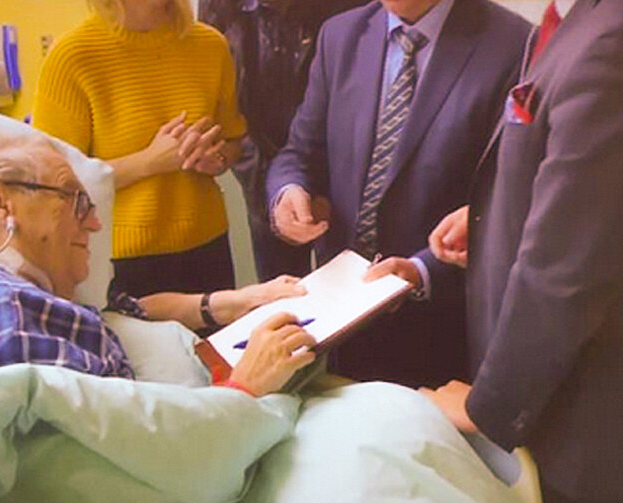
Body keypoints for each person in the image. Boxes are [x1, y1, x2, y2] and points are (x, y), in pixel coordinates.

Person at [0, 132, 316, 398]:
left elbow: (130, 310)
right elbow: (92, 463)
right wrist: (244, 390)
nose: (93, 223)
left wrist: (243, 300)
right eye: (75, 201)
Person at [418, 0, 623, 503]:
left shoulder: (610, 39)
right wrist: (495, 215)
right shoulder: (576, 20)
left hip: (585, 425)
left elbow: (566, 271)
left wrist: (488, 408)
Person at [265, 0, 531, 387]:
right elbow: (300, 151)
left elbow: (512, 193)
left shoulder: (513, 44)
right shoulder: (340, 34)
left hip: (440, 322)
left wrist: (422, 271)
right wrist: (288, 192)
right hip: (339, 312)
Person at [31, 0, 246, 298]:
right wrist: (149, 162)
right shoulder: (72, 57)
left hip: (207, 247)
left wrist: (216, 158)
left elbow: (233, 142)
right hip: (117, 260)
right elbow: (49, 181)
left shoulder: (211, 46)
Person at [198, 0, 367, 282]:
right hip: (261, 177)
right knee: (282, 294)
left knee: (353, 288)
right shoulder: (220, 7)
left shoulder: (349, 11)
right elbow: (223, 111)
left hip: (343, 182)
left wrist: (324, 189)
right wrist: (274, 195)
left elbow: (364, 102)